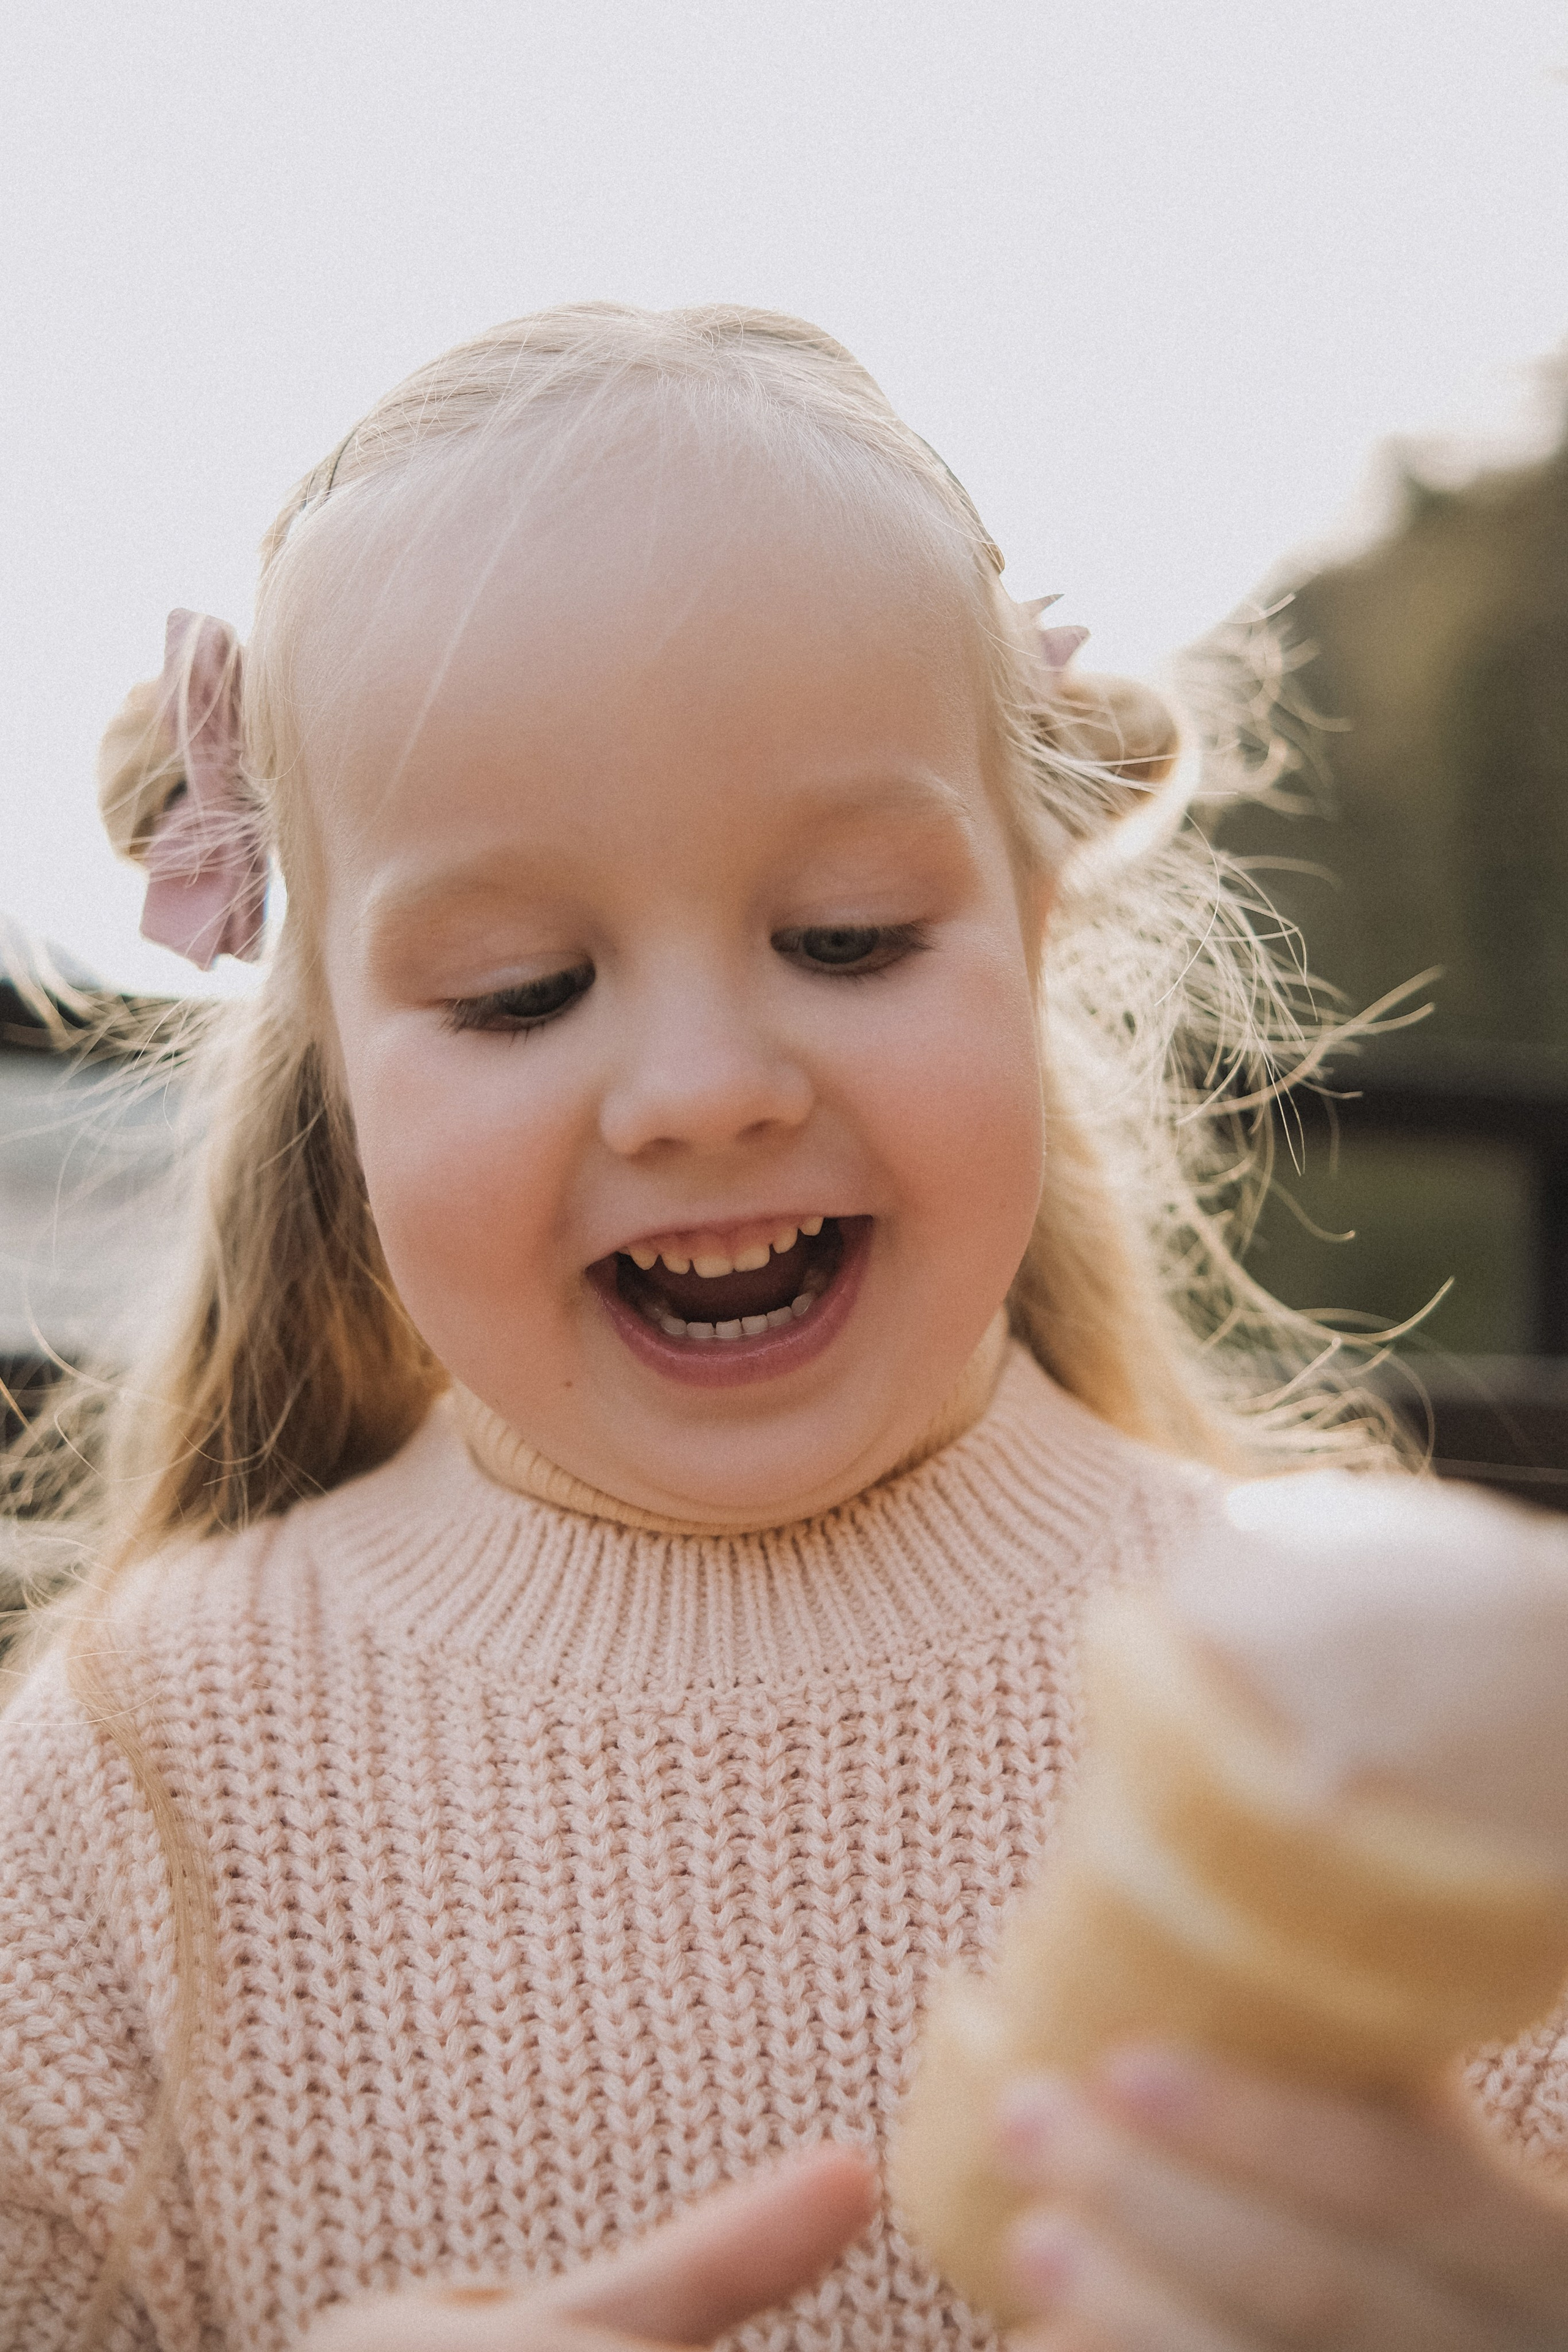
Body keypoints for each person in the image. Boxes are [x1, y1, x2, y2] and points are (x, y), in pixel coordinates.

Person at [4, 302, 1567, 2352]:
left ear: (1035, 927)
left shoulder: (1353, 1715)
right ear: (337, 1062)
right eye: (519, 992)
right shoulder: (127, 1782)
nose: (705, 1090)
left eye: (844, 939)